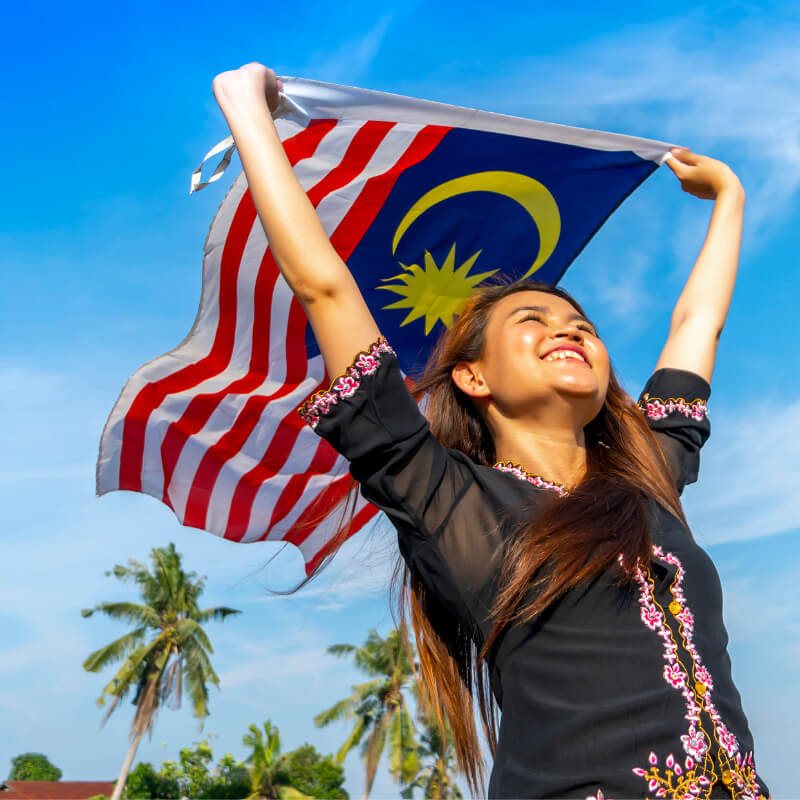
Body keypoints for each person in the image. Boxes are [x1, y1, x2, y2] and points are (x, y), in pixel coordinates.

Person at [212, 63, 769, 799]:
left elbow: (700, 324)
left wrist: (728, 199)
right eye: (531, 323)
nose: (567, 332)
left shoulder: (648, 478)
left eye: (581, 326)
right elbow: (323, 284)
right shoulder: (445, 496)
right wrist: (246, 109)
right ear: (473, 378)